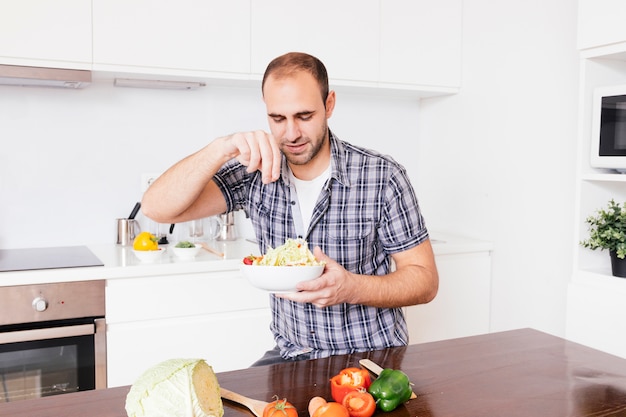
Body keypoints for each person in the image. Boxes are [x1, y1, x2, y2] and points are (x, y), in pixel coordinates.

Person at [141, 52, 439, 365]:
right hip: (291, 355)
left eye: (305, 116)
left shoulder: (381, 175)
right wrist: (221, 148)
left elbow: (425, 281)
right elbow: (157, 208)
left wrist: (351, 287)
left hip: (370, 359)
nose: (291, 133)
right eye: (278, 119)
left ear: (329, 105)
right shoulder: (255, 172)